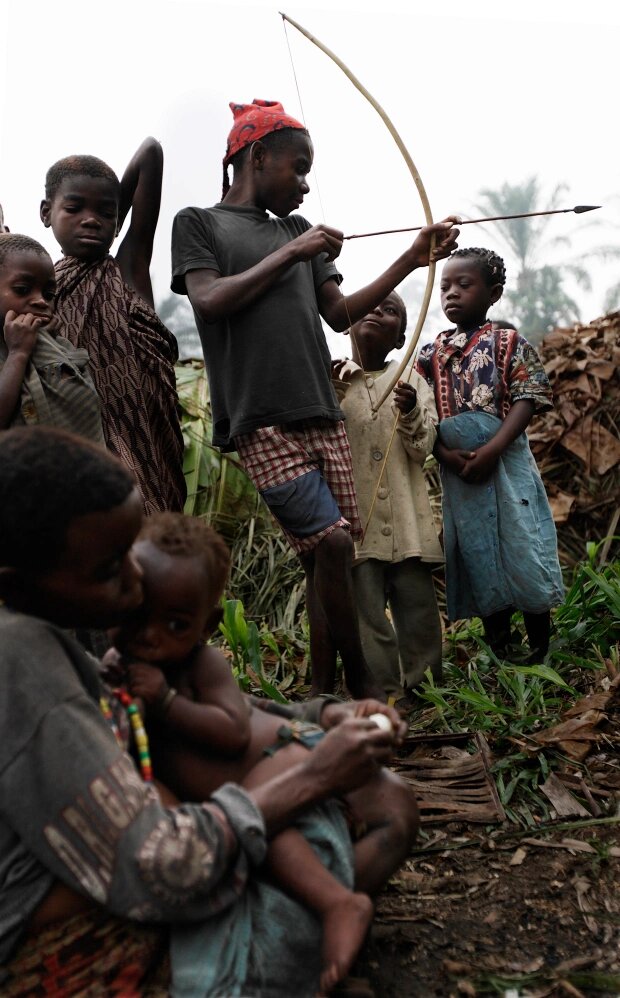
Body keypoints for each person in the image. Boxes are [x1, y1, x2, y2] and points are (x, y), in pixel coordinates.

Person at [0, 425, 407, 997]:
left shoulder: (52, 627)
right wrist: (316, 774)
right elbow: (158, 867)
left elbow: (204, 707)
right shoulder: (19, 660)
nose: (136, 581)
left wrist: (317, 715)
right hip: (72, 920)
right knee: (357, 819)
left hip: (137, 856)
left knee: (380, 796)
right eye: (110, 567)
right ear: (14, 584)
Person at [171, 98, 459, 700]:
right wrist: (291, 255)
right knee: (330, 543)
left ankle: (322, 692)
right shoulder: (200, 223)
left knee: (324, 560)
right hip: (258, 419)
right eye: (298, 167)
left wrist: (412, 256)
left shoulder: (299, 232)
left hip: (320, 413)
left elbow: (340, 315)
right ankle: (363, 687)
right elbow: (210, 300)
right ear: (257, 156)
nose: (305, 183)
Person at [107, 513, 417, 993]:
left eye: (174, 623)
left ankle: (338, 902)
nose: (149, 634)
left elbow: (234, 729)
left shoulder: (199, 665)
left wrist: (167, 703)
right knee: (271, 837)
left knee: (389, 812)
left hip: (276, 764)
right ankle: (324, 919)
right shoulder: (114, 671)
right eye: (136, 614)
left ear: (206, 626)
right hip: (244, 805)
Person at [416, 247, 564, 658]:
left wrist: (493, 449)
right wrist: (446, 456)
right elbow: (422, 416)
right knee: (477, 549)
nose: (451, 294)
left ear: (493, 293)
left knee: (521, 540)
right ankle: (501, 643)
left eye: (465, 285)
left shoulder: (506, 342)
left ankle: (539, 641)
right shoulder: (429, 355)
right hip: (459, 473)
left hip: (505, 463)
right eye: (445, 286)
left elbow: (528, 397)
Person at [40, 137, 185, 514]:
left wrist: (115, 215)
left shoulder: (129, 267)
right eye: (75, 208)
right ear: (46, 213)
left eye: (105, 212)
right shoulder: (39, 291)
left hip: (149, 442)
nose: (92, 219)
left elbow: (151, 151)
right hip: (82, 444)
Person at [333, 291, 444, 708]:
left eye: (393, 310)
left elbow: (424, 447)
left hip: (409, 521)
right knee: (367, 616)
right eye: (372, 305)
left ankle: (425, 690)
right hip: (357, 520)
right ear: (346, 324)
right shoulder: (334, 379)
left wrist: (413, 410)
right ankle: (384, 693)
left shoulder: (411, 379)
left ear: (402, 337)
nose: (379, 311)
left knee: (417, 610)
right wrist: (334, 394)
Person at [0, 233, 103, 442]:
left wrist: (45, 345)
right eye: (23, 290)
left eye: (49, 295)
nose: (40, 301)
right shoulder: (17, 349)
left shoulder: (60, 347)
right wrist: (18, 353)